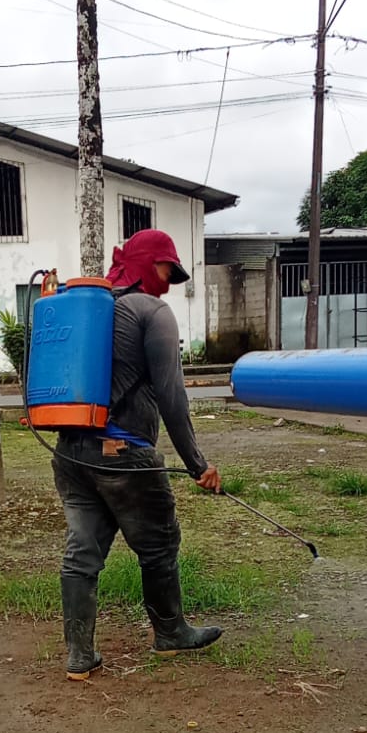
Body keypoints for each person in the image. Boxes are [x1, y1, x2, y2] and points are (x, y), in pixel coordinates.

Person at [53, 227, 223, 682]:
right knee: (159, 543)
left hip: (70, 454)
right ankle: (171, 633)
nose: (170, 283)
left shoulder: (88, 310)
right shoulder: (151, 311)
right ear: (149, 264)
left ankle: (79, 656)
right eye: (168, 270)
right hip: (124, 455)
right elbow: (172, 397)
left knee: (82, 551)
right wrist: (198, 464)